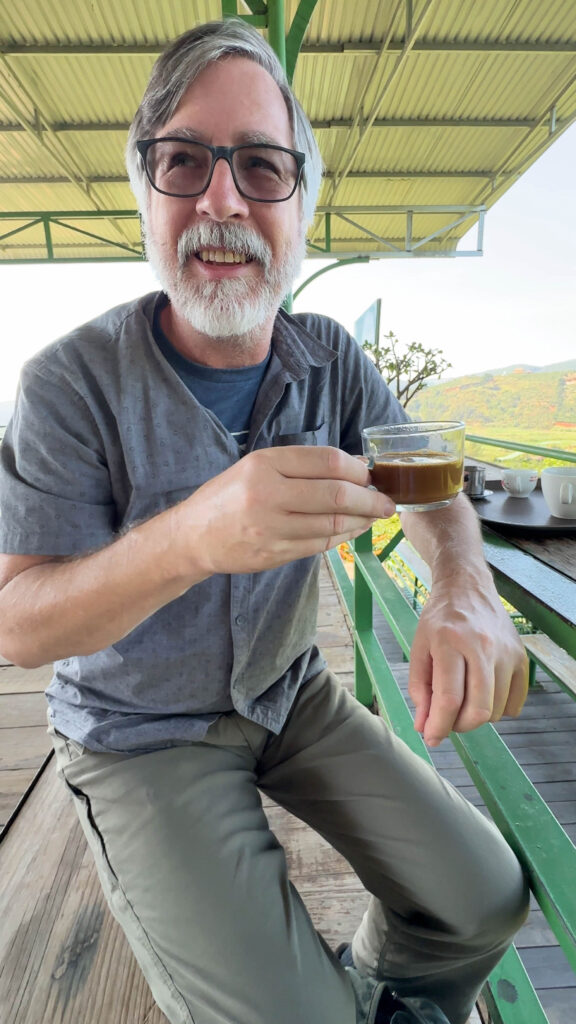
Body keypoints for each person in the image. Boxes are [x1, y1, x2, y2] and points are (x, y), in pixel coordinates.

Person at [0, 18, 529, 1024]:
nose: (223, 198)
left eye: (261, 166)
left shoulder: (330, 358)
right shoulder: (67, 382)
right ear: (147, 194)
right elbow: (20, 621)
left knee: (485, 898)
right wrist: (193, 536)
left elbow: (432, 488)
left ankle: (380, 1000)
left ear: (301, 204)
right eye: (185, 161)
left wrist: (464, 589)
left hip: (293, 696)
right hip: (138, 734)